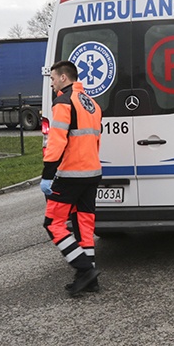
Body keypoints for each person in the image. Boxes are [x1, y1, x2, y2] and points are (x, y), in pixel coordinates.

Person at [41, 60, 103, 296]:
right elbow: (95, 139)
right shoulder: (92, 104)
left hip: (70, 174)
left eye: (53, 78)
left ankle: (84, 269)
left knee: (53, 224)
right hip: (92, 171)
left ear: (64, 78)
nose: (53, 82)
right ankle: (90, 279)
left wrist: (48, 174)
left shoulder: (64, 101)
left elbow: (57, 140)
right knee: (83, 225)